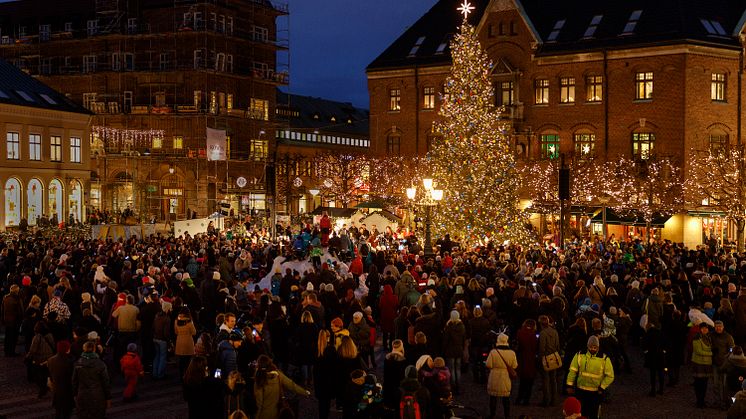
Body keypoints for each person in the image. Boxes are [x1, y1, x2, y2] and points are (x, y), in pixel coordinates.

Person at [566, 336, 614, 419]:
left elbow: (610, 376)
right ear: (587, 346)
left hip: (595, 392)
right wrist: (569, 385)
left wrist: (602, 387)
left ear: (598, 347)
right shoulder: (580, 355)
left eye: (595, 347)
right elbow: (572, 371)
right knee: (581, 414)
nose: (593, 349)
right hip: (581, 391)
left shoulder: (604, 359)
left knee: (594, 415)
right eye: (591, 347)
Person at [253, 354, 310, 419]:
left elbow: (259, 404)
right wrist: (305, 392)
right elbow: (291, 385)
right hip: (276, 413)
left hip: (264, 415)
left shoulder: (259, 381)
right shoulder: (278, 375)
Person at [72, 341, 111, 419]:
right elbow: (105, 382)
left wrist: (75, 394)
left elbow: (74, 381)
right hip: (97, 395)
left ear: (83, 349)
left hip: (82, 394)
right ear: (94, 349)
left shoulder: (78, 364)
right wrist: (108, 398)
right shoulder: (100, 364)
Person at [486, 333, 517, 419]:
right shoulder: (512, 353)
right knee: (506, 398)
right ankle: (507, 415)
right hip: (505, 376)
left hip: (494, 376)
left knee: (493, 398)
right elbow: (514, 366)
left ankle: (492, 414)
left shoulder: (493, 352)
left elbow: (488, 365)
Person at [47, 340, 75, 419]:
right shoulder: (70, 362)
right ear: (67, 349)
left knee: (58, 411)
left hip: (57, 389)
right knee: (67, 413)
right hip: (68, 390)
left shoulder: (51, 360)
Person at [27, 320, 55, 398]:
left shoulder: (37, 337)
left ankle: (43, 388)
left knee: (38, 374)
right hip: (49, 357)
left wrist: (28, 357)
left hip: (39, 358)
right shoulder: (50, 335)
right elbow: (53, 345)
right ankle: (47, 386)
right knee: (47, 373)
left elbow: (33, 350)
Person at [314, 329, 338, 419]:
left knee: (321, 406)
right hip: (328, 383)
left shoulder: (317, 350)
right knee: (326, 407)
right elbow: (335, 368)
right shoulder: (331, 350)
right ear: (328, 338)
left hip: (319, 383)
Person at [712, 319, 735, 409]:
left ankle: (725, 401)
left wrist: (727, 355)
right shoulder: (711, 335)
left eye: (720, 326)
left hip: (725, 364)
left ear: (723, 327)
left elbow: (731, 348)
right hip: (715, 363)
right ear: (714, 327)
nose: (718, 328)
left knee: (725, 384)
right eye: (716, 326)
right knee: (715, 384)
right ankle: (717, 401)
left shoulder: (728, 337)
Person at [538, 314, 561, 407]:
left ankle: (546, 400)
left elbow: (542, 348)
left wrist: (540, 357)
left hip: (546, 358)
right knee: (553, 380)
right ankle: (554, 400)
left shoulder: (543, 333)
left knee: (545, 380)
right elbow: (558, 345)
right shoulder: (555, 332)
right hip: (554, 357)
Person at [640, 315, 665, 397]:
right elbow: (665, 343)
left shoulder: (647, 334)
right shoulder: (660, 332)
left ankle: (653, 390)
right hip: (660, 355)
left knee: (653, 374)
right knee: (661, 373)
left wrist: (646, 352)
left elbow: (644, 345)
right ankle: (661, 389)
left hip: (652, 356)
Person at [515, 318, 538, 406]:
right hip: (531, 361)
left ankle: (519, 398)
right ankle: (526, 400)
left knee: (522, 382)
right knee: (529, 383)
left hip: (522, 360)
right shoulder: (534, 335)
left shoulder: (520, 333)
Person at [443, 309, 466, 394]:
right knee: (458, 369)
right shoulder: (462, 327)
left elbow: (445, 340)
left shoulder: (448, 327)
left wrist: (444, 349)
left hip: (450, 350)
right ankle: (458, 386)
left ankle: (453, 387)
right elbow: (464, 339)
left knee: (451, 369)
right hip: (459, 349)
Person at [692, 322, 713, 408]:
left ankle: (702, 400)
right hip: (699, 364)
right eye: (703, 328)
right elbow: (698, 351)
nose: (705, 329)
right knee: (698, 383)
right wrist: (711, 353)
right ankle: (699, 401)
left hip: (707, 364)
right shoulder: (697, 337)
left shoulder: (709, 338)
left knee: (704, 384)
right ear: (700, 329)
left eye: (706, 328)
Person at [383, 339, 408, 412]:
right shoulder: (403, 360)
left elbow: (385, 374)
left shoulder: (387, 358)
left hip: (388, 387)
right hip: (398, 389)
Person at [2, 284, 24, 357]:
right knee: (13, 337)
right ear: (17, 291)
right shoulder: (17, 299)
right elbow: (21, 311)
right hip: (15, 321)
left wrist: (2, 319)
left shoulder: (5, 298)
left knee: (7, 336)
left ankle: (6, 351)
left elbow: (2, 310)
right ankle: (11, 352)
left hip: (7, 320)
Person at [174, 307, 196, 379]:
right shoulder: (189, 322)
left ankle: (181, 375)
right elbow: (194, 332)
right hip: (188, 342)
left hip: (179, 342)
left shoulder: (176, 321)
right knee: (188, 361)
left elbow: (176, 332)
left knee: (181, 360)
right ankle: (187, 376)